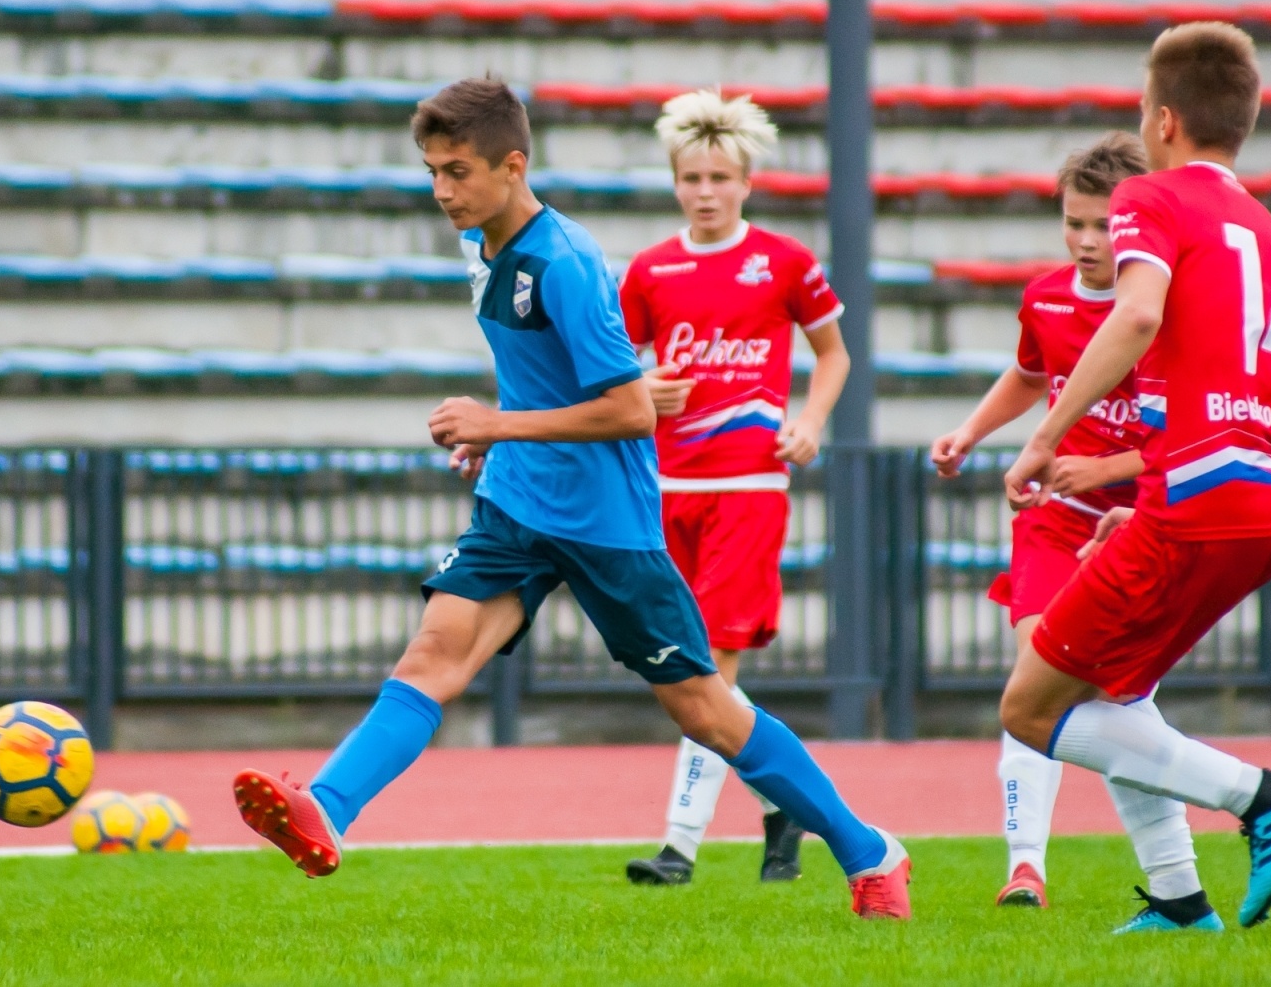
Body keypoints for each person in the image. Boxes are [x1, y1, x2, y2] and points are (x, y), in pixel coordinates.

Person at [229, 78, 911, 920]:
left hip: (605, 521)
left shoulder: (566, 262)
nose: (442, 190)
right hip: (517, 504)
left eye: (458, 171)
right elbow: (552, 381)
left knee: (704, 709)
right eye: (432, 171)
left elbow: (627, 409)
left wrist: (499, 425)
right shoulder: (480, 243)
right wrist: (496, 437)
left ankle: (869, 851)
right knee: (431, 658)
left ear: (513, 166)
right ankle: (326, 811)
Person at [999, 23, 1271, 933]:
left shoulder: (1153, 196)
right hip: (1264, 497)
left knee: (1030, 708)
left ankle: (1262, 795)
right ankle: (1181, 903)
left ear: (1166, 119)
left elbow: (1138, 316)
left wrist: (1043, 441)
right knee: (1117, 692)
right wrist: (1144, 501)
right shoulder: (1261, 224)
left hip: (1201, 498)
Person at [935, 132, 1213, 921]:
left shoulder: (1167, 309)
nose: (1088, 242)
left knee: (1117, 703)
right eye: (1074, 223)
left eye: (1103, 226)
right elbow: (1030, 375)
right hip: (1054, 523)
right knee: (1035, 678)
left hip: (1139, 525)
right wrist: (971, 432)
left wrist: (1101, 469)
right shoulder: (1049, 297)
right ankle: (1026, 865)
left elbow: (1192, 428)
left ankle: (1191, 871)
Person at [615, 90, 851, 886]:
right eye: (692, 177)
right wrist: (646, 387)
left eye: (720, 175)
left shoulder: (785, 262)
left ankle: (679, 847)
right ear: (675, 181)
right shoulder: (651, 269)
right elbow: (620, 377)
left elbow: (835, 354)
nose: (706, 190)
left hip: (748, 485)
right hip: (666, 487)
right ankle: (780, 801)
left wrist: (811, 421)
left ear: (747, 180)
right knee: (688, 675)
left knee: (705, 667)